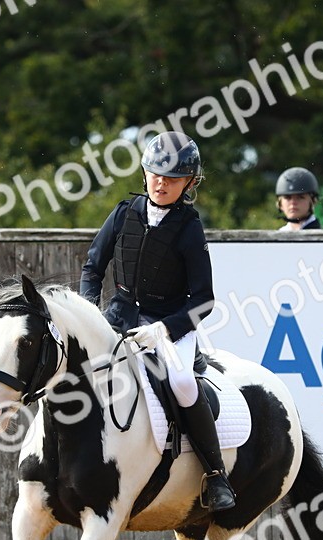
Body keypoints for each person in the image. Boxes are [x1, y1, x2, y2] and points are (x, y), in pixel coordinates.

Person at [79, 131, 236, 512]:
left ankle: (216, 475)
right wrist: (89, 314)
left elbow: (204, 300)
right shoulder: (122, 213)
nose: (162, 183)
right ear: (145, 173)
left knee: (182, 382)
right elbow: (92, 268)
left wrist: (164, 330)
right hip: (117, 317)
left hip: (167, 325)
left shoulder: (189, 227)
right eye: (156, 174)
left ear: (189, 183)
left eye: (173, 178)